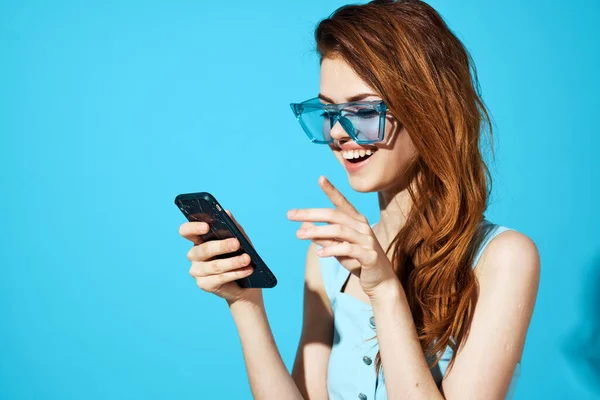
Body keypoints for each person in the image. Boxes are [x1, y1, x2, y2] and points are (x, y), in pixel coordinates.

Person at [178, 0, 540, 398]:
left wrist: (384, 290)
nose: (336, 132)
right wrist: (246, 303)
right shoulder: (330, 258)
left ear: (429, 109)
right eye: (330, 112)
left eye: (363, 110)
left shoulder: (501, 259)